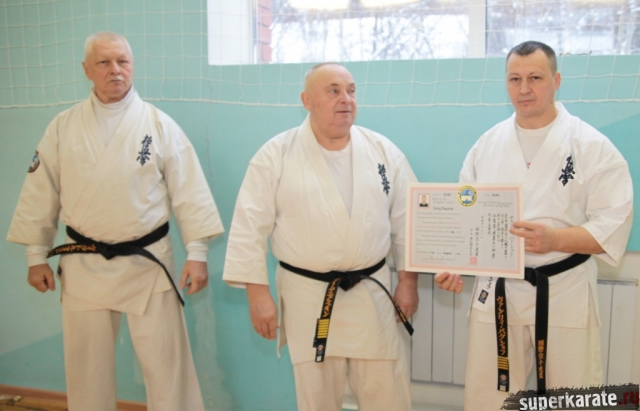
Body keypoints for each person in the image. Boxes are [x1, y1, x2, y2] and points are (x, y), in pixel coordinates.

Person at [6, 31, 224, 411]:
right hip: (84, 261)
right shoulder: (62, 127)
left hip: (147, 260)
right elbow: (41, 192)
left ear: (132, 65)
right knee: (86, 368)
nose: (115, 70)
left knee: (167, 365)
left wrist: (198, 253)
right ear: (86, 70)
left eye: (123, 61)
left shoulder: (158, 124)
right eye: (104, 62)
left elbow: (189, 191)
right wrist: (35, 256)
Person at [435, 41, 633, 410]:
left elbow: (615, 219)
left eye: (535, 78)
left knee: (571, 396)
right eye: (515, 79)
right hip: (497, 287)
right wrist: (455, 265)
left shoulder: (591, 145)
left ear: (556, 81)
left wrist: (557, 239)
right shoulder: (486, 145)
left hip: (563, 286)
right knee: (487, 397)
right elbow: (467, 218)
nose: (524, 88)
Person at [223, 62, 419, 411]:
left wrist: (408, 281)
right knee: (317, 398)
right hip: (307, 295)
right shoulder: (276, 154)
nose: (346, 99)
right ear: (307, 100)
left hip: (371, 293)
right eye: (333, 91)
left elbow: (408, 221)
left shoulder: (383, 151)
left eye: (351, 91)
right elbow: (248, 227)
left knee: (386, 393)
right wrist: (258, 294)